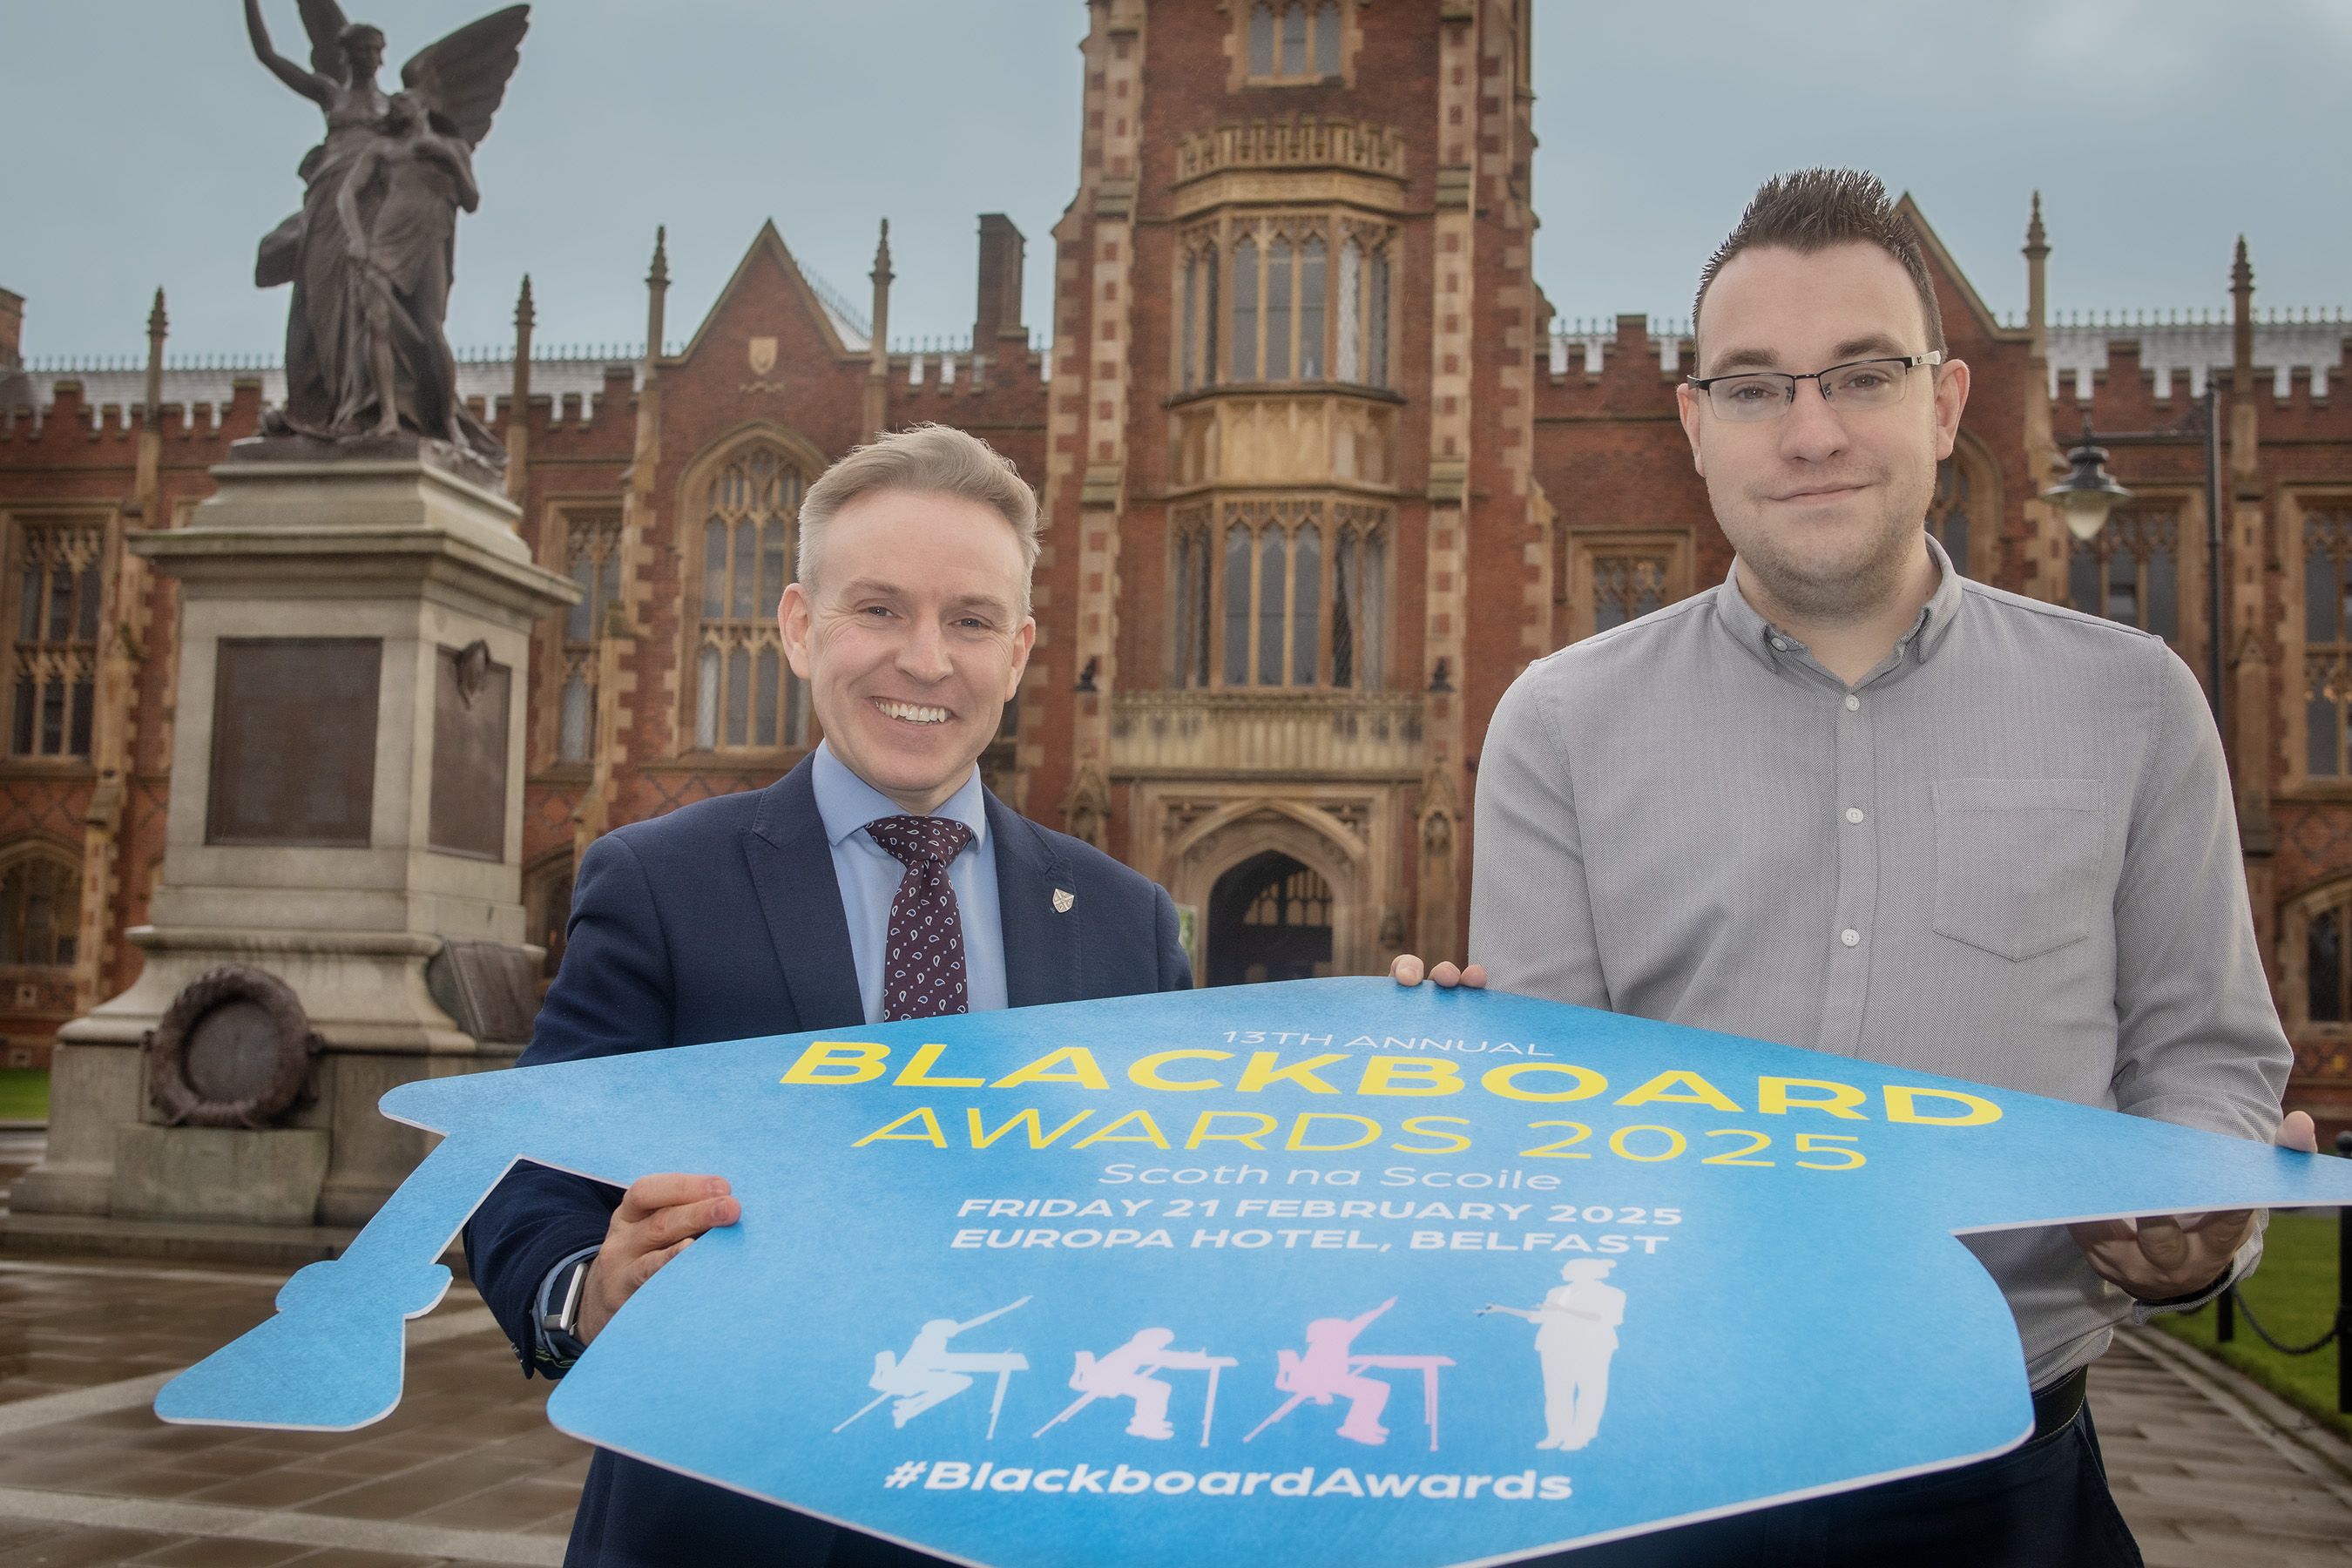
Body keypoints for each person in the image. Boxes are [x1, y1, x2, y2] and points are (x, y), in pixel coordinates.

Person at [1397, 168, 2312, 1565]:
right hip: (1659, 1471)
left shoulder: (2132, 700)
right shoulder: (1561, 721)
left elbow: (2204, 1046)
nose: (1811, 432)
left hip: (2007, 1478)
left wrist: (2201, 1223)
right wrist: (1424, 1086)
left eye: (1860, 378)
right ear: (1695, 426)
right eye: (1757, 388)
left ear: (1944, 405)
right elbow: (1548, 1111)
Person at [467, 423, 1193, 1566]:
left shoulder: (1125, 920)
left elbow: (1188, 1213)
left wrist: (1440, 1063)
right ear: (801, 628)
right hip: (730, 1525)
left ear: (1018, 652)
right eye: (879, 610)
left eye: (970, 620)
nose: (925, 658)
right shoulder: (660, 883)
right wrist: (589, 1293)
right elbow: (527, 1177)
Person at [1481, 1261, 1625, 1452]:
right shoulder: (1556, 1292)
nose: (1562, 1271)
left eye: (1568, 1269)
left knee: (1590, 1392)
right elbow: (1541, 1316)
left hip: (1591, 1348)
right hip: (1554, 1347)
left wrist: (1562, 1310)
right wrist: (1503, 1309)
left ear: (1585, 1272)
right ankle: (1557, 1434)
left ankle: (1581, 1436)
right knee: (1557, 1393)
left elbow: (1610, 1319)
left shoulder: (1613, 1293)